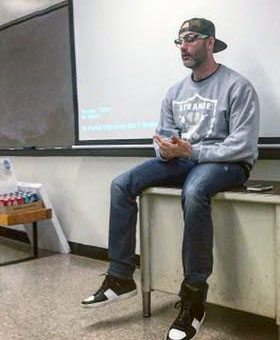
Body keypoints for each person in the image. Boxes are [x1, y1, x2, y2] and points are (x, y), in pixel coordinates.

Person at [80, 18, 259, 340]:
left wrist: (193, 151)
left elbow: (243, 145)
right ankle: (120, 276)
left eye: (190, 39)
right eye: (179, 41)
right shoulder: (175, 92)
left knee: (194, 192)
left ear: (209, 42)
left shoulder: (237, 85)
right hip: (185, 160)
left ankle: (193, 299)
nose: (183, 47)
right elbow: (163, 139)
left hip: (227, 163)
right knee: (121, 184)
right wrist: (165, 150)